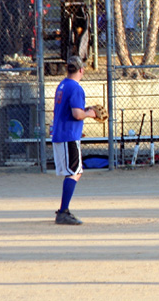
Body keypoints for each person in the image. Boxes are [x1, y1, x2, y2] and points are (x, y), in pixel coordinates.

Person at [50, 56, 99, 225]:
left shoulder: (62, 85)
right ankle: (63, 212)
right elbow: (77, 114)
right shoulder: (76, 88)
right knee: (75, 172)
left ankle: (63, 210)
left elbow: (68, 112)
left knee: (74, 171)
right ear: (81, 70)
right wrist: (90, 114)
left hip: (63, 134)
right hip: (67, 136)